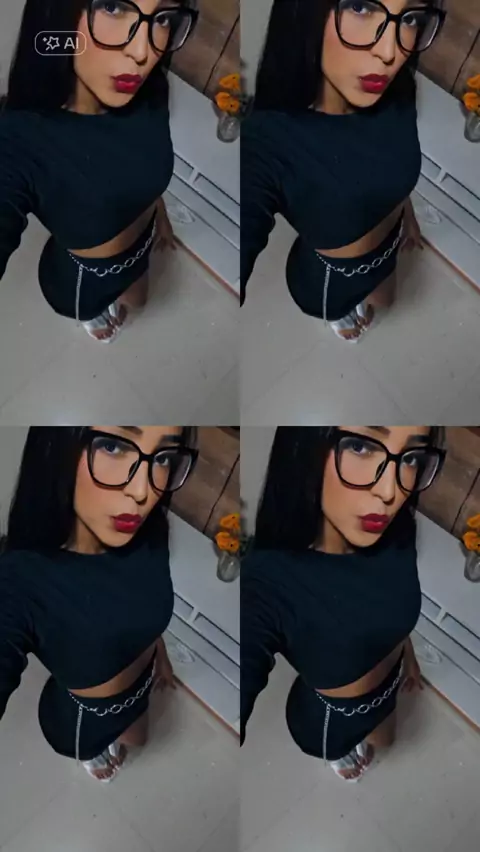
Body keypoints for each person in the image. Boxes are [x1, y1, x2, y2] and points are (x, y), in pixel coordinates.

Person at [241, 425, 446, 782]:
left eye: (411, 457)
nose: (390, 491)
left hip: (388, 688)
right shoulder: (266, 583)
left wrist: (405, 655)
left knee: (387, 740)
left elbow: (389, 605)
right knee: (355, 747)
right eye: (360, 446)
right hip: (329, 721)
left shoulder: (397, 529)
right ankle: (338, 755)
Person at [0, 425, 198, 782]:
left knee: (139, 738)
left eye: (164, 457)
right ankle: (91, 756)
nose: (143, 491)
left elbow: (142, 604)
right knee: (110, 745)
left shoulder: (149, 530)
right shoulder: (19, 579)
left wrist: (159, 654)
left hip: (139, 688)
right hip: (83, 720)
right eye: (111, 446)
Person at [241, 0, 446, 341]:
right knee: (350, 311)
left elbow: (390, 162)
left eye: (410, 18)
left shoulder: (398, 90)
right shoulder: (266, 142)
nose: (390, 52)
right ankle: (339, 317)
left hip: (388, 247)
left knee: (387, 300)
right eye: (360, 7)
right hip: (329, 282)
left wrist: (403, 213)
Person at [0, 0, 199, 342]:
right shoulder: (20, 139)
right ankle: (91, 318)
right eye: (112, 6)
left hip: (141, 247)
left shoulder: (150, 91)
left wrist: (159, 214)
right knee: (98, 310)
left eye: (163, 18)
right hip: (83, 281)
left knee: (139, 301)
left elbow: (142, 165)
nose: (143, 52)